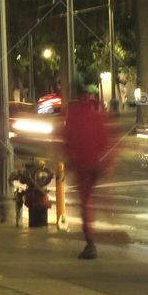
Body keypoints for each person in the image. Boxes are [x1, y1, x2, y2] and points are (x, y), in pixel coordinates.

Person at [63, 77, 115, 259]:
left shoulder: (75, 113)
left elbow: (68, 138)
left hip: (83, 164)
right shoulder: (97, 111)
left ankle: (90, 242)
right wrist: (107, 162)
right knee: (90, 200)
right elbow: (105, 139)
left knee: (86, 203)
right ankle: (108, 216)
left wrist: (69, 159)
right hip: (95, 162)